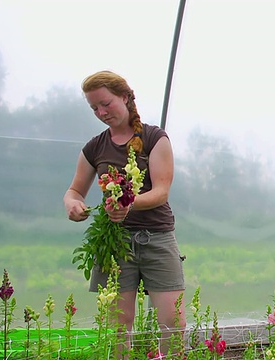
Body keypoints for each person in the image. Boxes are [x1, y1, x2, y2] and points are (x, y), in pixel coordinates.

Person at [63, 70, 186, 357]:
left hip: (157, 238)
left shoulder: (155, 137)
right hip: (114, 241)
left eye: (106, 103)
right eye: (94, 108)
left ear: (126, 97)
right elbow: (74, 191)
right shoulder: (95, 147)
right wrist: (72, 203)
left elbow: (161, 191)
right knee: (117, 324)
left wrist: (127, 205)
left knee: (172, 321)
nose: (101, 112)